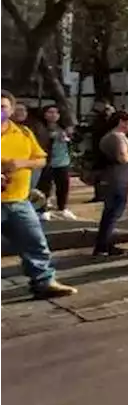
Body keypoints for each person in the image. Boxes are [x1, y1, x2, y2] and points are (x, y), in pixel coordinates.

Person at [0, 89, 77, 298]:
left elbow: (41, 159)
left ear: (11, 110)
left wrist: (21, 163)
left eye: (2, 107)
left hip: (17, 201)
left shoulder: (23, 133)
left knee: (35, 243)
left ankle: (43, 282)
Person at [93, 110, 128, 257]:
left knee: (112, 213)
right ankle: (103, 246)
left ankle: (105, 244)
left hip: (118, 179)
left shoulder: (119, 137)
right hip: (115, 180)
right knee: (113, 213)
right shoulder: (115, 137)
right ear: (121, 122)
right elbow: (123, 158)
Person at [34, 104, 76, 219]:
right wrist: (52, 137)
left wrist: (69, 137)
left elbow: (73, 140)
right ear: (44, 114)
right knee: (44, 187)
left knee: (63, 186)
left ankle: (63, 208)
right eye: (50, 112)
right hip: (47, 162)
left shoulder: (63, 127)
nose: (53, 115)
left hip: (63, 161)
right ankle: (43, 210)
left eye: (56, 113)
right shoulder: (40, 127)